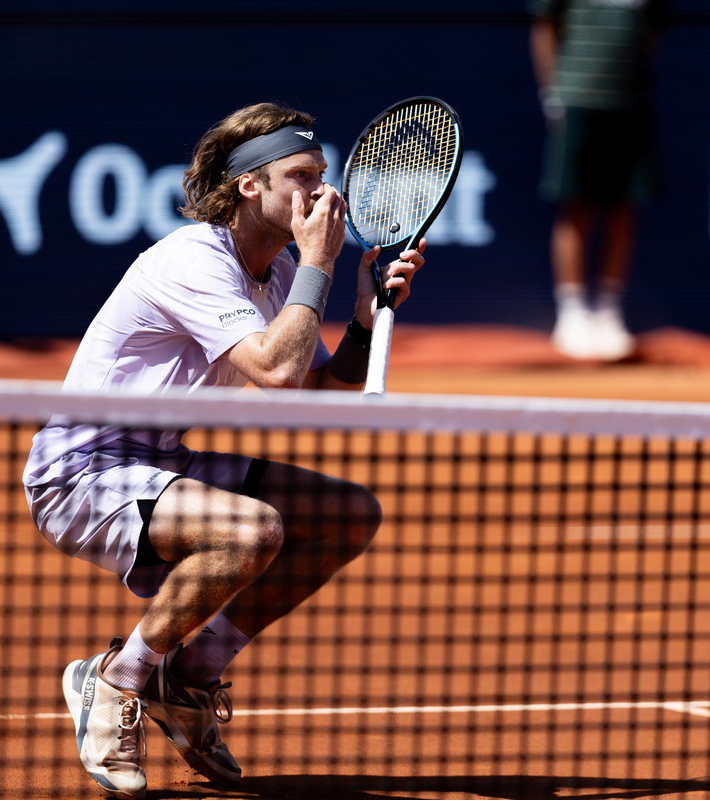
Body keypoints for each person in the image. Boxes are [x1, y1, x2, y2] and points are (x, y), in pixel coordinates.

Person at [22, 102, 424, 798]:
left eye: (324, 176)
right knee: (252, 531)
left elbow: (313, 389)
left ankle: (192, 674)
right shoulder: (193, 258)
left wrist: (362, 322)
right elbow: (273, 370)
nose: (323, 193)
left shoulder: (274, 276)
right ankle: (116, 678)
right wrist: (322, 266)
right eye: (302, 176)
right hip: (81, 475)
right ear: (249, 186)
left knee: (348, 513)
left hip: (157, 462)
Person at [529, 0, 669, 361]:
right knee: (574, 207)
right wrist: (552, 95)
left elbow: (650, 36)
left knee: (624, 208)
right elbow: (545, 27)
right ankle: (572, 313)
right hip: (577, 101)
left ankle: (608, 313)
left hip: (632, 106)